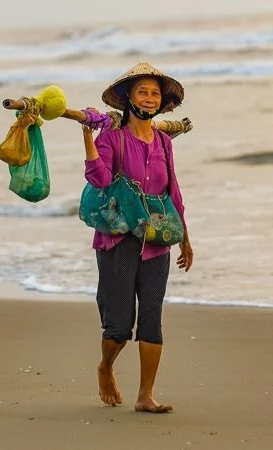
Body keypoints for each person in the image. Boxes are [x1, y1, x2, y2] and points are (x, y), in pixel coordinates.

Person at [81, 62, 194, 413]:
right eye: (142, 91)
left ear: (162, 102)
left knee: (152, 318)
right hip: (119, 237)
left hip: (157, 237)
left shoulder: (163, 140)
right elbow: (98, 179)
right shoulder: (112, 137)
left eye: (154, 93)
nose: (148, 97)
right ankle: (105, 367)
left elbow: (172, 189)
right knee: (118, 324)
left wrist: (185, 238)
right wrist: (88, 135)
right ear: (128, 98)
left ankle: (146, 395)